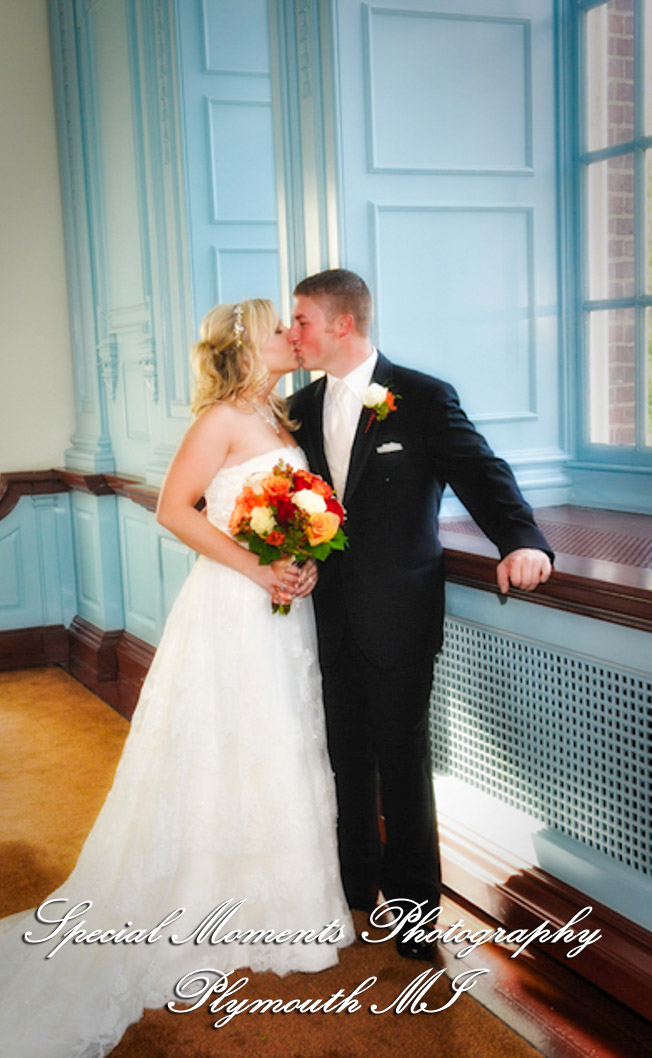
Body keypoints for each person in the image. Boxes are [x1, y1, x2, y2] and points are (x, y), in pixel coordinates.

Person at [0, 300, 353, 1058]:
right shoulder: (221, 420)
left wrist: (298, 557)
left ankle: (279, 902)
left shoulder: (280, 417)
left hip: (279, 606)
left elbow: (287, 509)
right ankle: (205, 900)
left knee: (279, 735)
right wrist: (259, 565)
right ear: (246, 345)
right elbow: (175, 509)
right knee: (224, 738)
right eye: (278, 328)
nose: (289, 338)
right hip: (233, 602)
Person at [286, 268, 553, 960]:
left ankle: (412, 913)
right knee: (344, 755)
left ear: (343, 323)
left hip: (400, 613)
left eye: (303, 321)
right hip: (327, 614)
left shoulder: (425, 398)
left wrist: (521, 540)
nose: (294, 335)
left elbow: (483, 474)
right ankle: (350, 885)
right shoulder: (299, 408)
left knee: (403, 763)